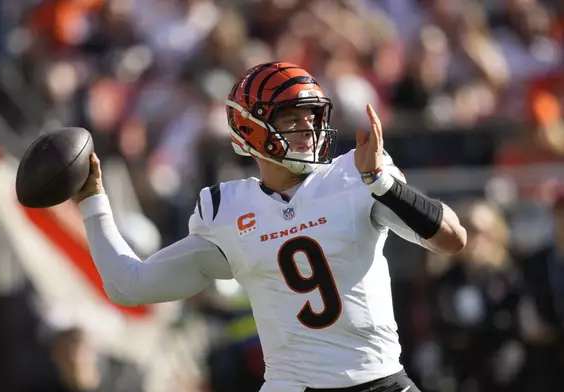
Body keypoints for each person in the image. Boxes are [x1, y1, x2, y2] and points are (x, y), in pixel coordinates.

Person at [73, 62, 467, 392]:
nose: (308, 130)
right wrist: (93, 202)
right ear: (251, 129)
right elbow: (129, 285)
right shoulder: (225, 210)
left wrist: (383, 183)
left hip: (379, 381)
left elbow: (452, 240)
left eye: (312, 118)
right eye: (292, 119)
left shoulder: (356, 175)